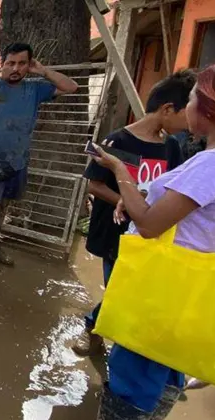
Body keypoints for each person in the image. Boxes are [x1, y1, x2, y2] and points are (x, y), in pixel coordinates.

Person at [89, 56, 215, 420]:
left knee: (132, 380)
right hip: (190, 295)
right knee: (165, 369)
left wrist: (120, 172)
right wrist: (139, 195)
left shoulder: (212, 164)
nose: (188, 107)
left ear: (214, 110)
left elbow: (152, 224)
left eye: (194, 99)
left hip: (162, 294)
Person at [73, 71, 196, 356]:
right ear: (167, 109)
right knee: (118, 289)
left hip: (150, 233)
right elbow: (94, 184)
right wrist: (128, 202)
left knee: (131, 291)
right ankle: (95, 330)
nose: (190, 124)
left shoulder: (172, 147)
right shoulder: (117, 142)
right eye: (186, 115)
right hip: (116, 231)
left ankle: (103, 331)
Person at [0, 42, 78, 283]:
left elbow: (71, 87)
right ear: (2, 64)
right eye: (10, 63)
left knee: (4, 205)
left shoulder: (34, 89)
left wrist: (44, 71)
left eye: (22, 63)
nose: (15, 68)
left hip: (17, 162)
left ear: (29, 65)